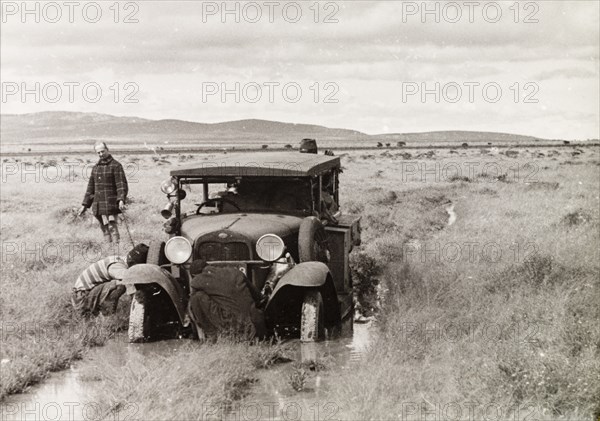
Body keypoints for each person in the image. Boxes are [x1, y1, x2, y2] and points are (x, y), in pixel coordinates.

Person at [187, 260, 266, 340]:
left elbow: (191, 308)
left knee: (196, 298)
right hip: (256, 326)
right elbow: (258, 297)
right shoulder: (236, 272)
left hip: (235, 330)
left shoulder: (196, 281)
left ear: (194, 275)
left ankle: (212, 336)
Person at [71, 243, 149, 316]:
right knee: (120, 285)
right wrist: (139, 305)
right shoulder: (116, 266)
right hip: (82, 299)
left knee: (120, 283)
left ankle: (101, 310)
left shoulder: (121, 260)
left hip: (84, 294)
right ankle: (107, 314)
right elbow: (128, 281)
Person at [78, 142, 128, 243]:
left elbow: (121, 185)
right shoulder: (96, 167)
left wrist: (121, 200)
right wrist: (85, 205)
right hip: (98, 204)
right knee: (104, 228)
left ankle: (116, 250)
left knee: (112, 227)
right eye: (98, 152)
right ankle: (108, 250)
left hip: (111, 203)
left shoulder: (116, 165)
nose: (101, 154)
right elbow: (90, 188)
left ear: (107, 150)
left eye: (102, 151)